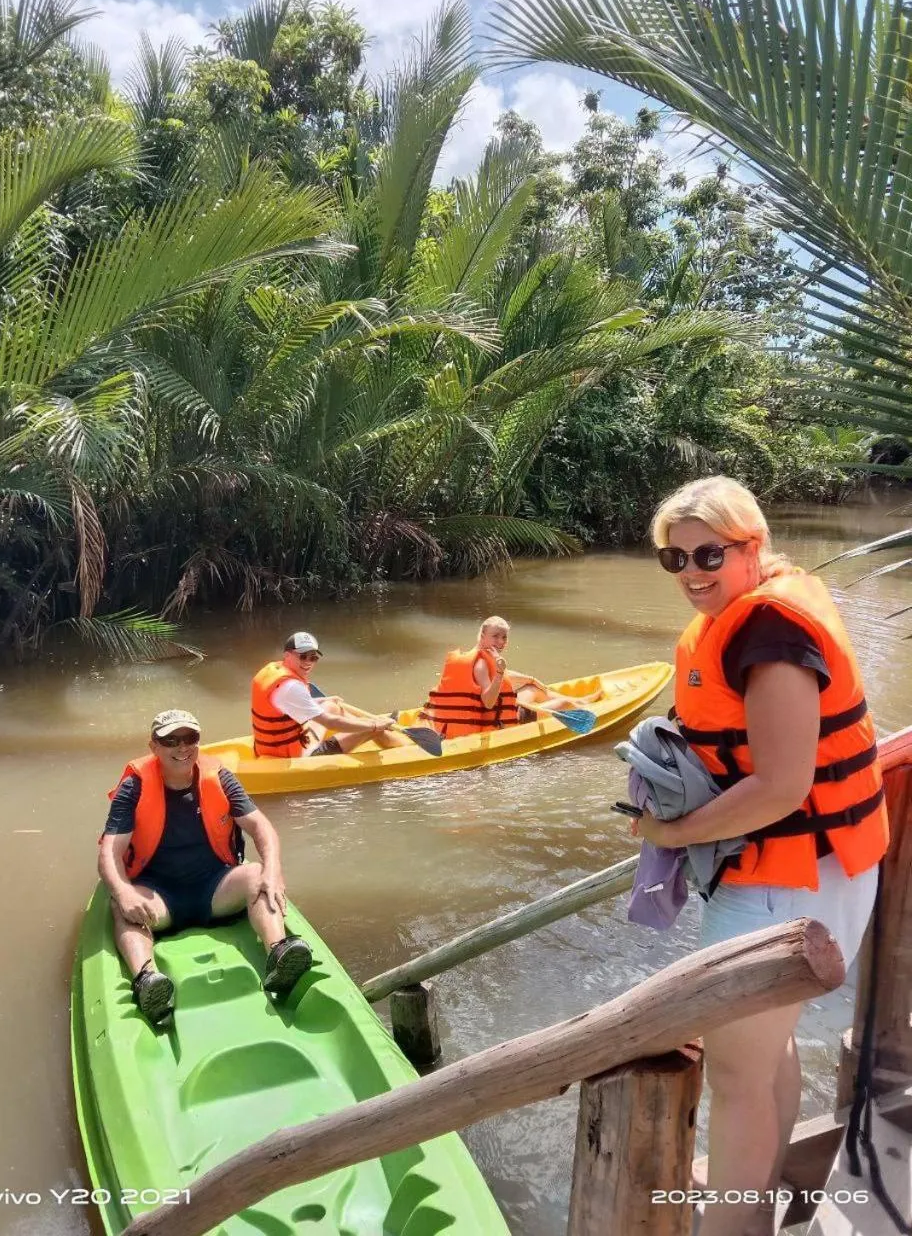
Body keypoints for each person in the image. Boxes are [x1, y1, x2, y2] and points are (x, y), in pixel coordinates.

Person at [634, 476, 888, 1236]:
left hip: (787, 876)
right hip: (813, 871)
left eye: (709, 553)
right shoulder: (762, 611)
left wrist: (673, 835)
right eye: (671, 559)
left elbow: (782, 785)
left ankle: (730, 1226)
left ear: (753, 546)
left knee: (737, 1075)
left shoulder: (769, 635)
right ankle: (763, 1192)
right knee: (766, 1056)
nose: (691, 573)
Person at [98, 709, 313, 1028]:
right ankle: (147, 978)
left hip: (215, 889)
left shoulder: (219, 776)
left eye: (189, 738)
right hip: (159, 897)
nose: (182, 747)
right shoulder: (135, 785)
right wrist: (123, 891)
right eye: (170, 740)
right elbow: (109, 852)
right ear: (153, 746)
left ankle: (279, 952)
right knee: (120, 902)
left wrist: (273, 871)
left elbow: (260, 827)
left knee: (256, 873)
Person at [423, 616, 594, 737]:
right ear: (483, 636)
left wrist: (529, 678)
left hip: (450, 723)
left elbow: (503, 678)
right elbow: (488, 703)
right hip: (499, 723)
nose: (501, 641)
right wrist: (499, 674)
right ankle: (582, 704)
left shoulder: (475, 655)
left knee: (531, 688)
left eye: (504, 637)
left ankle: (582, 701)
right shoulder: (481, 664)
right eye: (495, 636)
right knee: (565, 704)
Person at [251, 632, 410, 758]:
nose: (308, 662)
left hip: (274, 747)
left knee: (331, 706)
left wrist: (323, 700)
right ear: (287, 655)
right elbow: (330, 723)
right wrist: (373, 725)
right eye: (303, 656)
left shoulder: (275, 672)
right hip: (297, 757)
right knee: (373, 729)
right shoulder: (291, 687)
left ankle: (383, 727)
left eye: (313, 657)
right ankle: (406, 750)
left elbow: (289, 704)